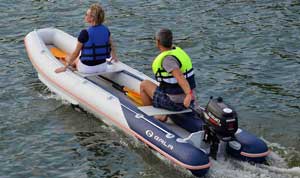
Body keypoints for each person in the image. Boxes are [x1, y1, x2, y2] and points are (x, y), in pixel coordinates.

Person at [140, 28, 196, 122]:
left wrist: (188, 94)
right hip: (191, 101)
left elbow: (180, 77)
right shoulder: (177, 52)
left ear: (158, 42)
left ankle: (156, 116)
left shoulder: (167, 60)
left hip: (177, 103)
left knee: (144, 85)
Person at [55, 3, 117, 74]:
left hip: (87, 69)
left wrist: (65, 67)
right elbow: (111, 45)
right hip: (102, 66)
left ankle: (64, 62)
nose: (85, 16)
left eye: (86, 14)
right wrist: (114, 56)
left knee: (70, 58)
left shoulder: (85, 33)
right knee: (76, 59)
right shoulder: (106, 30)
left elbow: (76, 53)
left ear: (92, 18)